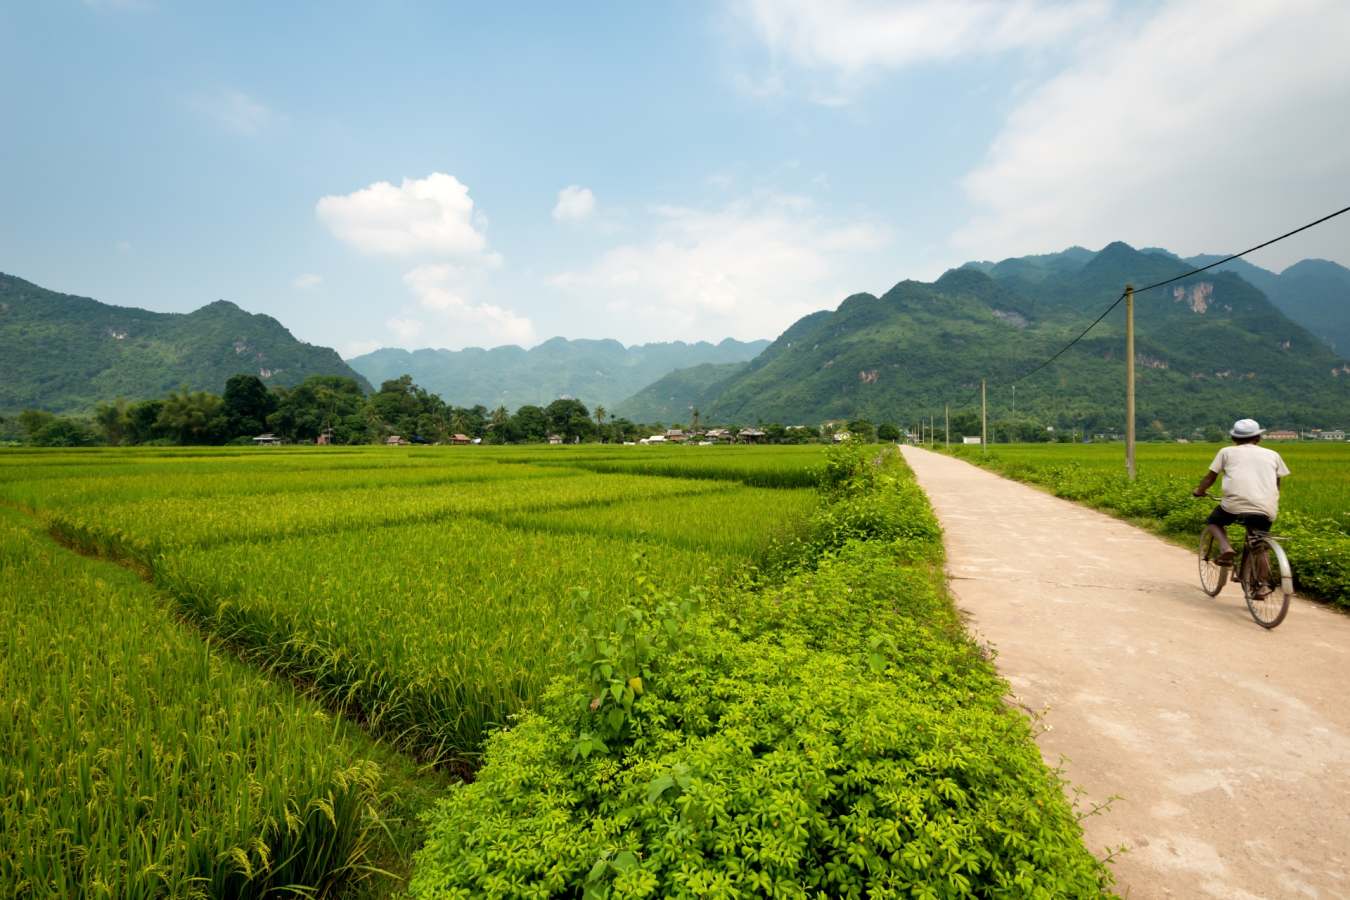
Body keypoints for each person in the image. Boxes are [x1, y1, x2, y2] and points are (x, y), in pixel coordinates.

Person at [1192, 418, 1290, 573]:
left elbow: (1211, 477)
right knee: (1259, 544)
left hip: (1234, 505)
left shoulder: (1226, 452)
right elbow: (1276, 484)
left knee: (1213, 522)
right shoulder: (1273, 454)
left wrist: (1199, 491)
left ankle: (1225, 548)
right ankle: (1263, 586)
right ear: (1258, 438)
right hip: (1266, 506)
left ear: (1234, 438)